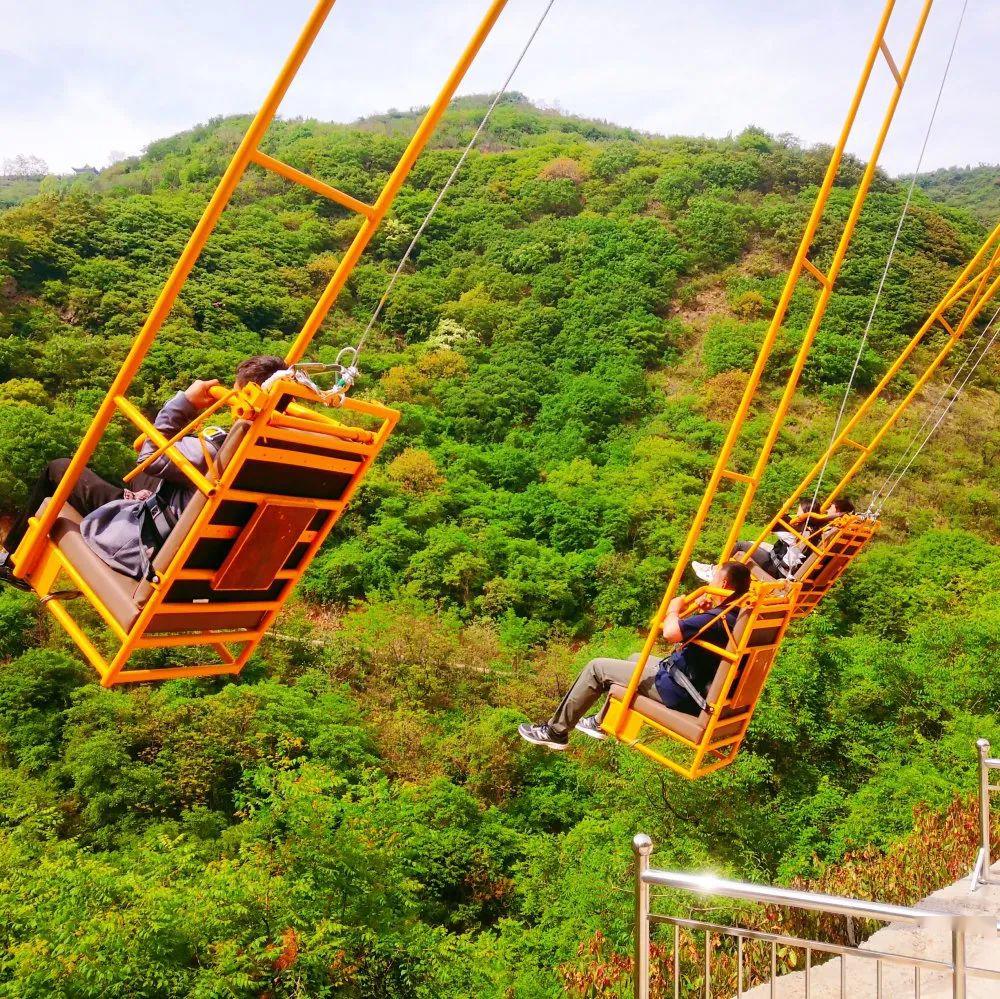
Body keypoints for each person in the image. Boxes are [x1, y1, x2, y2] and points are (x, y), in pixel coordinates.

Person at [0, 355, 287, 590]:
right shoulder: (283, 456)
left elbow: (149, 457)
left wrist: (183, 403)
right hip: (198, 558)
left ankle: (11, 561)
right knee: (147, 467)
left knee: (60, 469)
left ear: (241, 396)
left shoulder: (218, 453)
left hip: (145, 538)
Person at [518, 561, 752, 751]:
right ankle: (600, 722)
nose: (709, 582)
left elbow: (671, 633)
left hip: (676, 689)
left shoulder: (720, 620)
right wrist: (703, 613)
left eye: (713, 578)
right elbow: (704, 640)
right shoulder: (736, 616)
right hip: (691, 681)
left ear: (723, 583)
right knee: (634, 657)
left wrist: (673, 609)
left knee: (596, 668)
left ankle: (556, 731)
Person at [692, 498, 834, 583]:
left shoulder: (798, 530)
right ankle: (723, 571)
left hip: (778, 569)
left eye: (798, 511)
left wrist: (785, 514)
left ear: (804, 513)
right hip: (783, 564)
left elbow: (774, 526)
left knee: (741, 545)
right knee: (754, 543)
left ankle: (715, 572)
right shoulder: (814, 530)